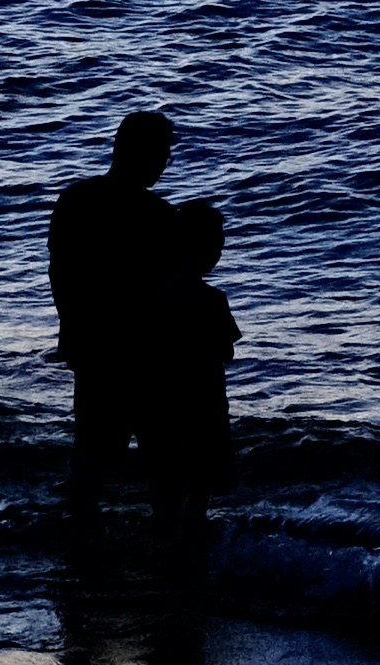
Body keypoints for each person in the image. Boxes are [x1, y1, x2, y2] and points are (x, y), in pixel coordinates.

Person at [48, 110, 178, 511]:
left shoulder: (76, 200)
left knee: (92, 453)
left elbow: (60, 276)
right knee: (159, 456)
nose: (165, 162)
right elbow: (168, 293)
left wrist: (73, 332)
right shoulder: (159, 216)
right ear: (138, 152)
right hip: (143, 352)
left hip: (92, 346)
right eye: (161, 152)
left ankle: (80, 538)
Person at [132, 198, 238, 550]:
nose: (219, 253)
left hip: (156, 401)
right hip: (202, 404)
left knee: (163, 483)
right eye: (217, 245)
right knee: (200, 485)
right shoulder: (212, 300)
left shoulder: (150, 295)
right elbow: (226, 351)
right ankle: (185, 551)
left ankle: (166, 547)